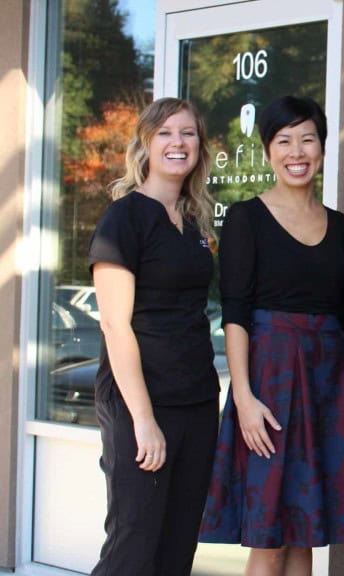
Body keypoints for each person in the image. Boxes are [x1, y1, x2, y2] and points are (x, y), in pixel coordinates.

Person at [199, 96, 344, 575]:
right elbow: (236, 314)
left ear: (323, 149)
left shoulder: (342, 226)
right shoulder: (246, 219)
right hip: (269, 381)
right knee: (268, 535)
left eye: (308, 139)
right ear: (268, 151)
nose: (297, 151)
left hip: (328, 384)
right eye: (284, 140)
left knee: (306, 534)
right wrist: (243, 397)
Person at [89, 97, 219, 576]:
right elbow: (114, 325)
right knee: (133, 548)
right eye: (165, 132)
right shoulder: (124, 218)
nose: (177, 142)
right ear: (145, 143)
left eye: (188, 133)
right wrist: (143, 421)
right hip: (141, 402)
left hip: (198, 401)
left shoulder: (193, 223)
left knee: (178, 546)